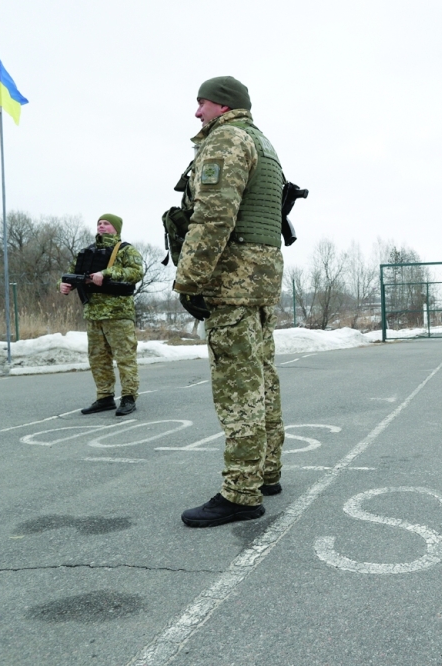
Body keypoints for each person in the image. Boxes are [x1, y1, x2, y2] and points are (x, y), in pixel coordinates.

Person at [174, 76, 286, 528]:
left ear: (221, 105)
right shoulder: (262, 141)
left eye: (201, 103)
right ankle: (267, 471)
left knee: (238, 384)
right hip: (260, 273)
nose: (196, 112)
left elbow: (214, 213)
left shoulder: (227, 140)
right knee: (261, 374)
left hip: (233, 277)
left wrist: (190, 280)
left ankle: (241, 492)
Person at [59, 214, 144, 417]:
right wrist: (62, 285)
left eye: (106, 223)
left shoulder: (125, 250)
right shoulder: (87, 252)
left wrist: (106, 274)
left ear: (116, 228)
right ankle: (104, 397)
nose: (102, 226)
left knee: (124, 357)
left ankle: (129, 397)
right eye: (99, 223)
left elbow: (136, 272)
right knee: (98, 358)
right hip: (94, 314)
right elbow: (71, 273)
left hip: (118, 313)